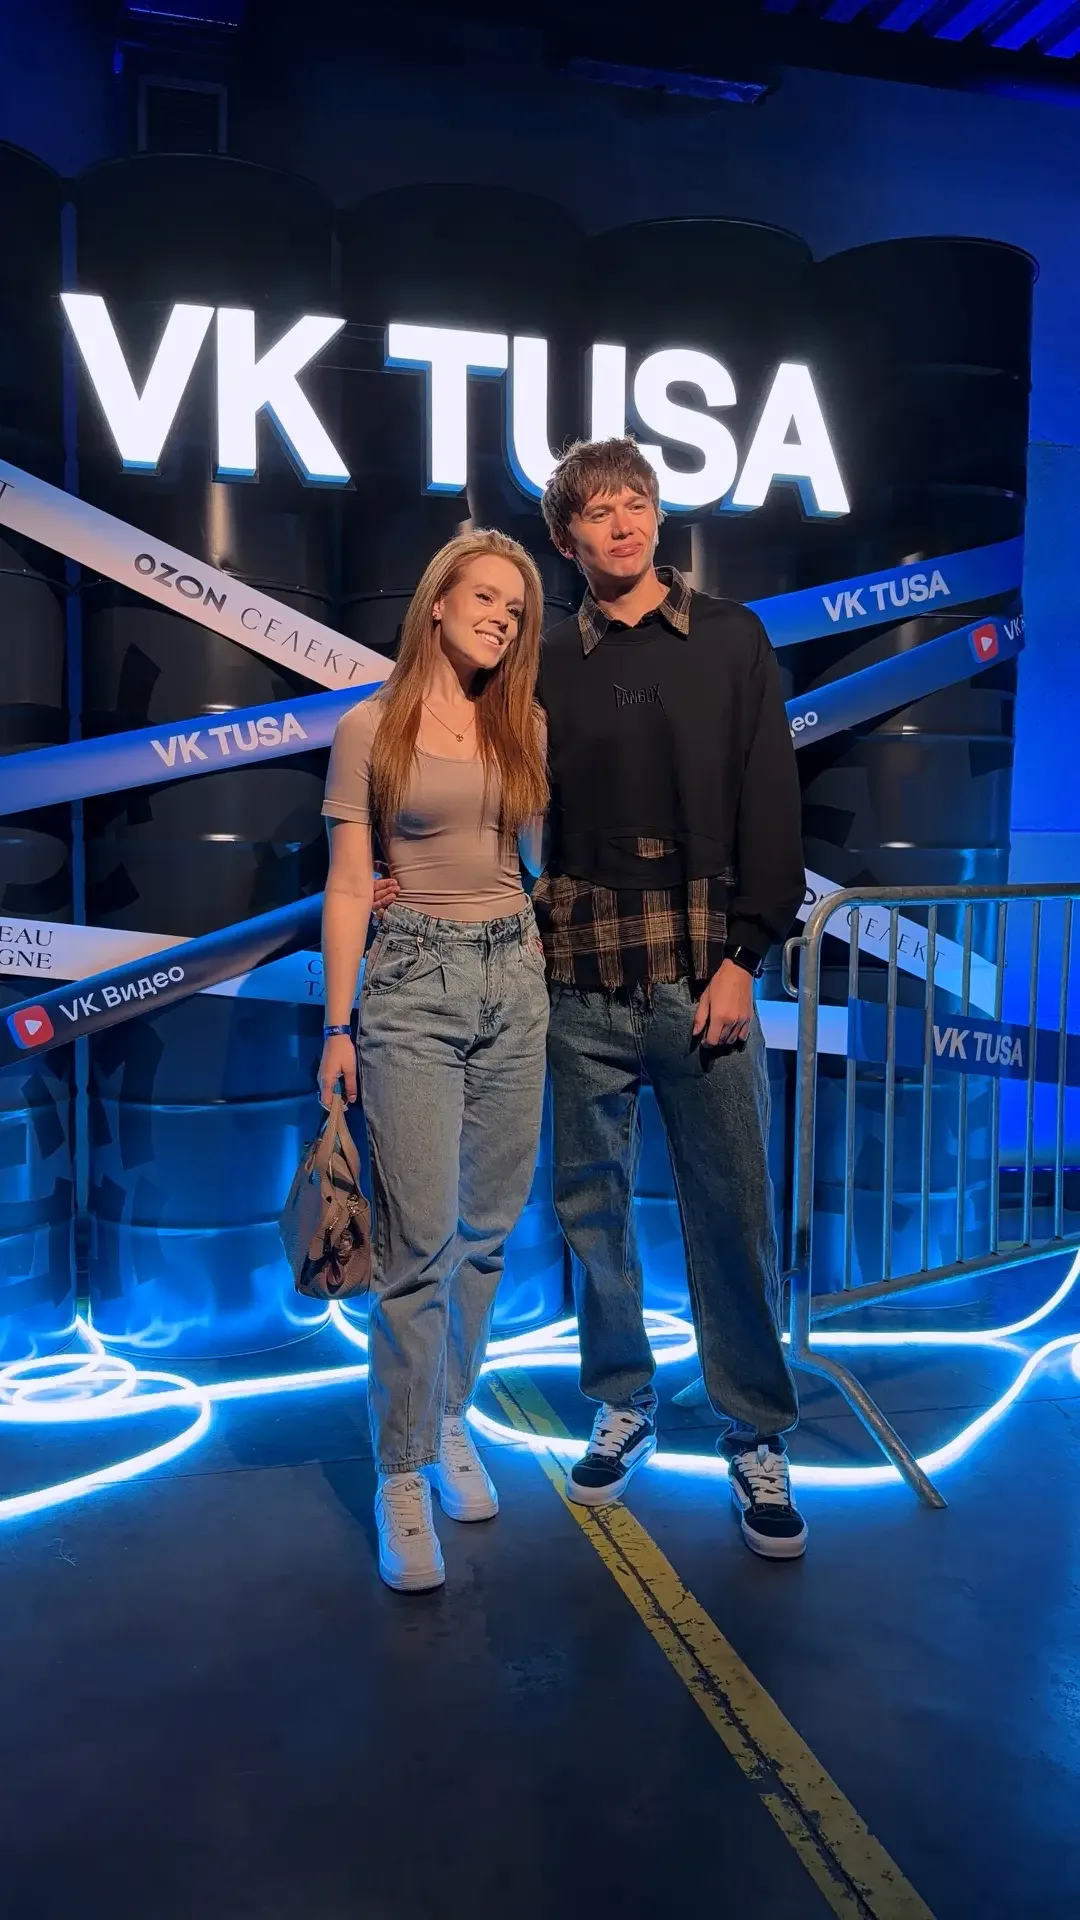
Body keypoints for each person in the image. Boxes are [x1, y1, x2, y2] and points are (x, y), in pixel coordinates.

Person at [534, 437, 808, 1559]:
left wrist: (747, 956)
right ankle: (622, 1401)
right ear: (567, 539)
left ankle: (756, 1432)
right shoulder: (545, 655)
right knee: (591, 1210)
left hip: (705, 974)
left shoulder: (733, 638)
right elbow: (487, 786)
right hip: (578, 976)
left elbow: (771, 802)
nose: (625, 524)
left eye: (637, 502)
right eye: (600, 511)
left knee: (733, 1209)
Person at [319, 530, 549, 1594]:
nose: (501, 617)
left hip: (515, 977)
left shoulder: (522, 722)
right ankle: (401, 1471)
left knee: (488, 1234)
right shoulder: (370, 726)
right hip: (412, 985)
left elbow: (528, 863)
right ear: (439, 602)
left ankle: (449, 1415)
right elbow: (349, 884)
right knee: (418, 1246)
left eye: (517, 608)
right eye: (487, 597)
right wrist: (337, 1028)